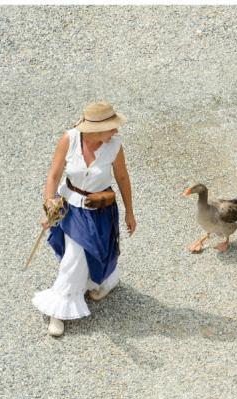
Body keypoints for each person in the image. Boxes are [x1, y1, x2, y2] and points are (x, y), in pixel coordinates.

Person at [32, 101, 136, 336]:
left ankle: (106, 280)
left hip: (100, 209)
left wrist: (130, 212)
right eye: (112, 127)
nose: (116, 131)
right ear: (96, 130)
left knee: (99, 250)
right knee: (75, 255)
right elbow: (54, 175)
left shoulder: (115, 145)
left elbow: (122, 178)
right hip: (69, 206)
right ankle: (59, 309)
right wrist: (50, 205)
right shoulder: (69, 139)